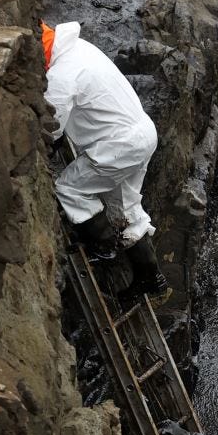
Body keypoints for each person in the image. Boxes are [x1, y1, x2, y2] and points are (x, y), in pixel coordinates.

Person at [39, 20, 167, 302]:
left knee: (70, 189)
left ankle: (103, 245)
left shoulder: (62, 74)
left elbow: (51, 126)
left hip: (119, 144)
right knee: (127, 206)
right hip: (142, 133)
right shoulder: (80, 48)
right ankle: (151, 277)